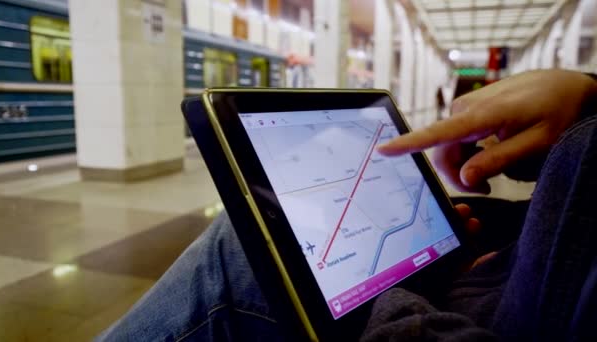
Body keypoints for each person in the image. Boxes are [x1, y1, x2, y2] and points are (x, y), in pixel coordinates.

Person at [97, 69, 597, 341]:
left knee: (243, 253)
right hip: (504, 265)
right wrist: (588, 105)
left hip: (466, 312)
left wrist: (391, 307)